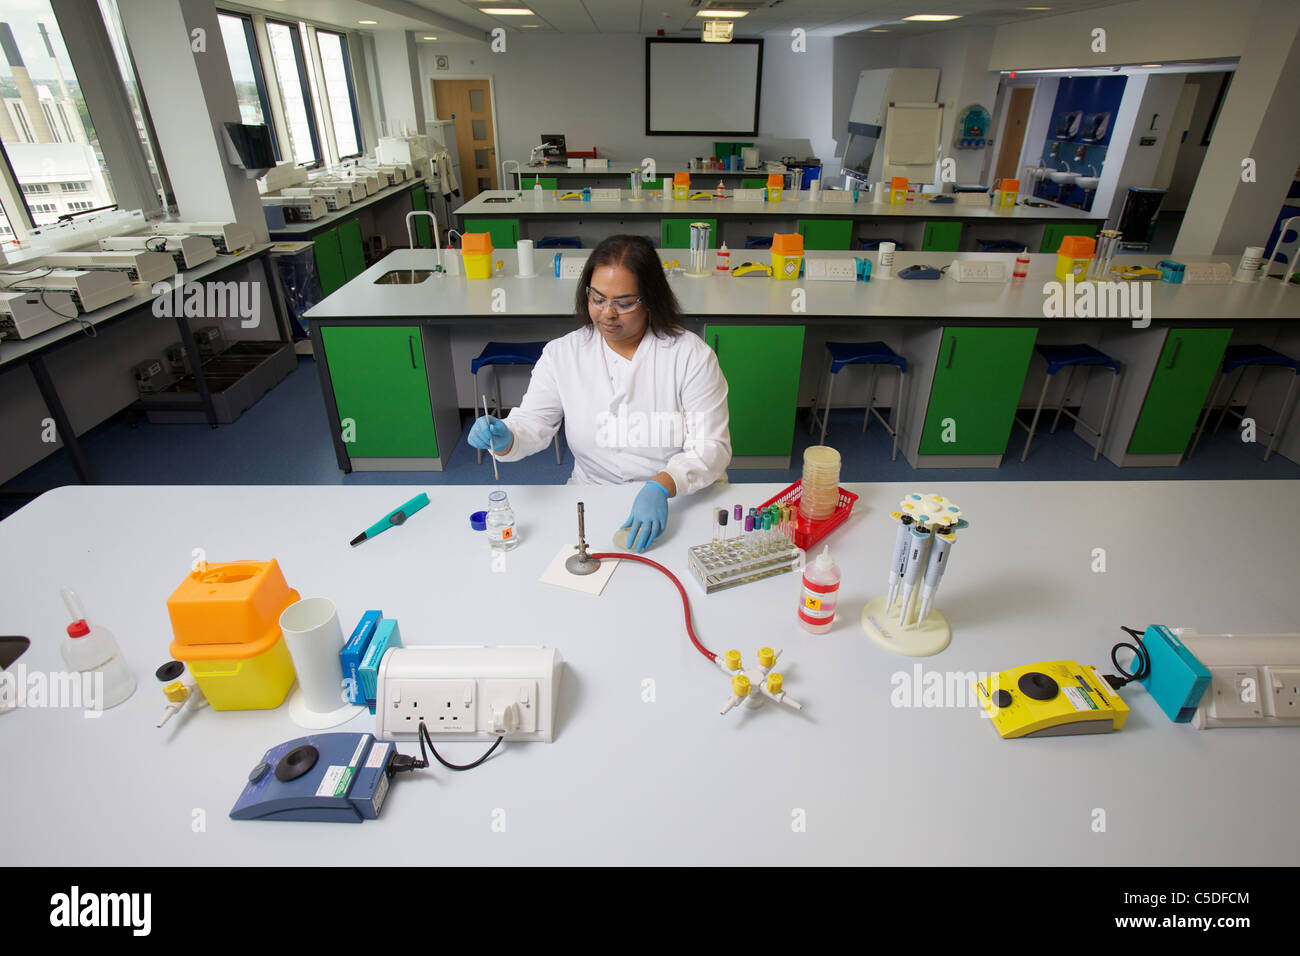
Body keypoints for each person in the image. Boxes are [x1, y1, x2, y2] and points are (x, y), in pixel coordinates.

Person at [467, 234, 730, 552]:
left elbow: (711, 447)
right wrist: (506, 435)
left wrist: (662, 485)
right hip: (593, 495)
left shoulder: (690, 356)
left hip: (681, 498)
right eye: (598, 298)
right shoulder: (563, 354)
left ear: (651, 299)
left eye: (624, 303)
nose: (608, 313)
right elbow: (534, 422)